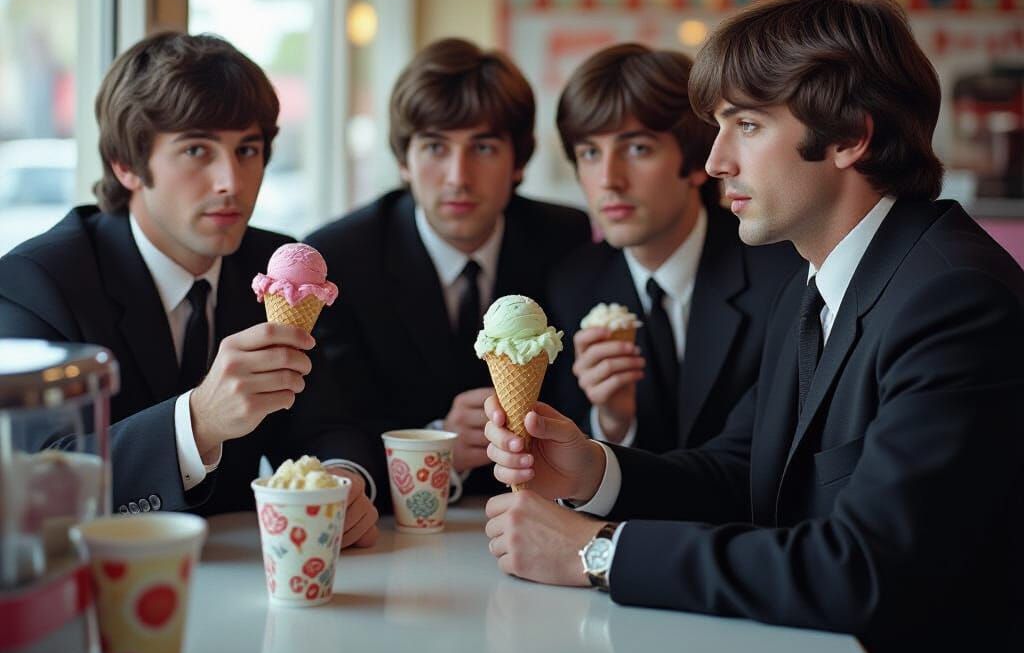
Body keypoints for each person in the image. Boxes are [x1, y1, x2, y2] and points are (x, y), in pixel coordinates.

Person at [482, 0, 1024, 653]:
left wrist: (597, 552)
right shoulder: (819, 280)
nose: (714, 160)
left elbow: (862, 571)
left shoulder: (952, 299)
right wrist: (593, 469)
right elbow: (746, 472)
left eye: (746, 124)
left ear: (848, 137)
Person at [0, 32, 379, 547]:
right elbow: (31, 487)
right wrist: (197, 422)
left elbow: (330, 422)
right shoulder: (39, 282)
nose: (231, 181)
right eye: (197, 149)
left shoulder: (279, 272)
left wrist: (344, 481)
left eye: (248, 149)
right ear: (126, 165)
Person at [306, 38, 591, 503]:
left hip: (544, 507)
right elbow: (331, 425)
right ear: (404, 160)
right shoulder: (341, 258)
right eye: (436, 147)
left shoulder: (568, 241)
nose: (458, 176)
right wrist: (435, 441)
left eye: (482, 147)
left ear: (518, 161)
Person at [547, 43, 800, 451]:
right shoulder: (572, 284)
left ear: (697, 162)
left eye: (637, 149)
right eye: (590, 152)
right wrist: (612, 421)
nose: (609, 179)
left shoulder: (780, 274)